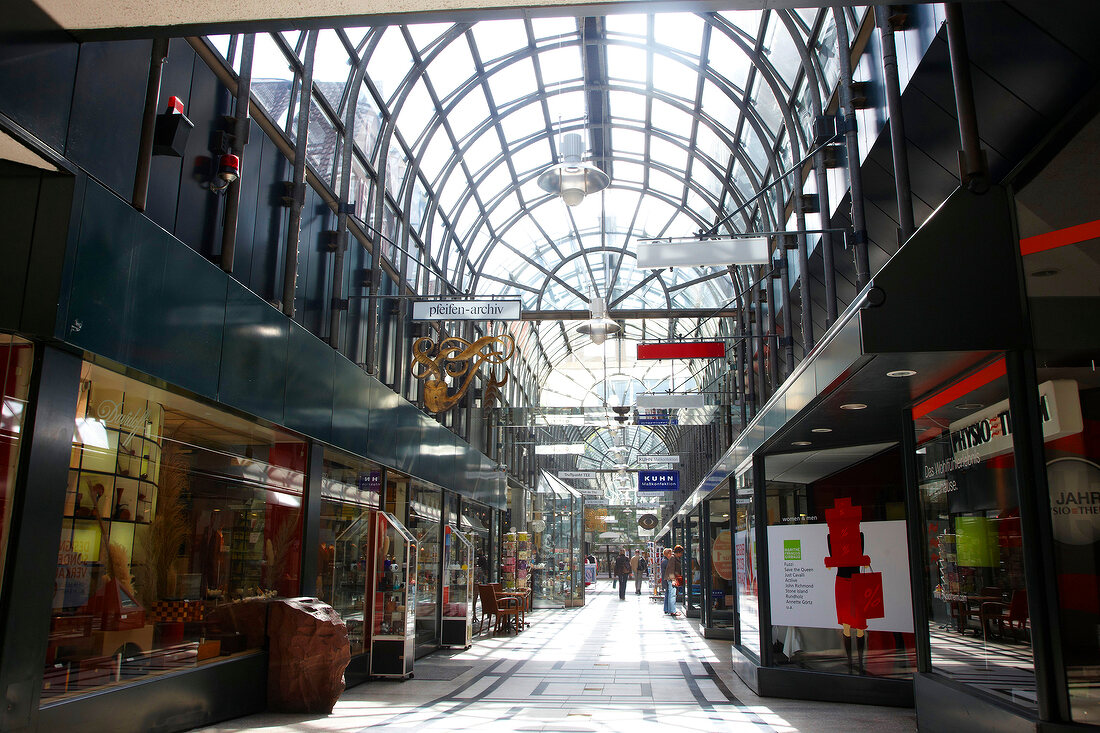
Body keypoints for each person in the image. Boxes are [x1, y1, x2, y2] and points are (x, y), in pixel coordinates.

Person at [662, 546, 682, 616]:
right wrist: (673, 579)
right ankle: (672, 611)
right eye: (681, 553)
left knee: (669, 594)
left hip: (671, 578)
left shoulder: (673, 558)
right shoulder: (673, 558)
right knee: (672, 595)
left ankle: (668, 609)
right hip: (672, 579)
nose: (681, 555)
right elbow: (671, 569)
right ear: (678, 552)